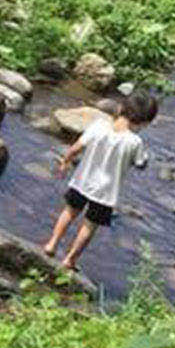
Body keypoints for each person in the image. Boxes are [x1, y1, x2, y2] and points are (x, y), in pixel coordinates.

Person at [43, 92, 157, 270]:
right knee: (89, 226)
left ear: (120, 108)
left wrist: (65, 161)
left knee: (69, 212)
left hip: (82, 181)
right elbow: (141, 163)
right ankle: (70, 260)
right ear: (145, 123)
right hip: (106, 193)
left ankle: (51, 244)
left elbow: (76, 148)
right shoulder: (135, 142)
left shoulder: (99, 125)